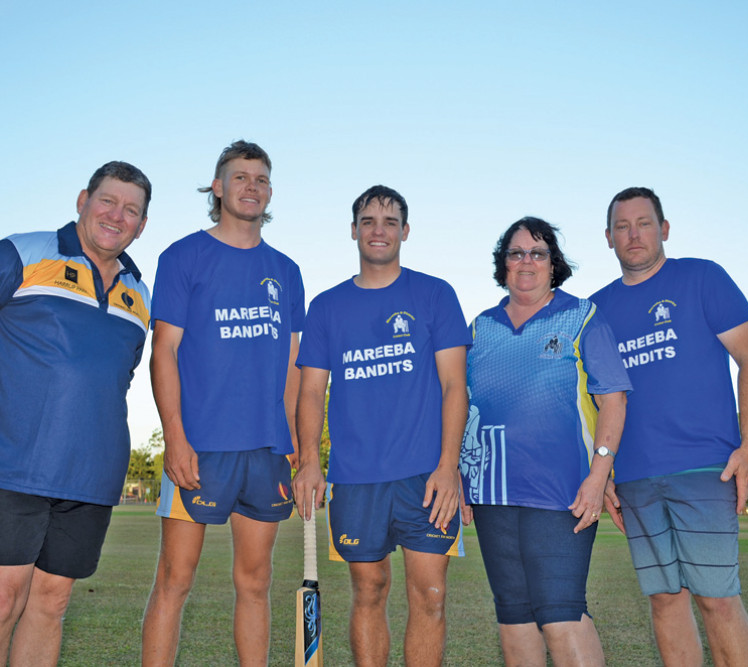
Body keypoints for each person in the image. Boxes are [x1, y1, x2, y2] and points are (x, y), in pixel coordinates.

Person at [0, 161, 153, 666]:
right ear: (82, 201)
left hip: (90, 475)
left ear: (141, 225)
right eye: (108, 201)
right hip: (11, 462)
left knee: (52, 604)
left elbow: (115, 378)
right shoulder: (21, 252)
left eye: (131, 210)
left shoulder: (140, 294)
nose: (117, 216)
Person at [591, 187, 748, 667]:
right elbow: (589, 401)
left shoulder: (702, 277)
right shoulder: (595, 310)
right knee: (665, 599)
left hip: (704, 467)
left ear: (664, 229)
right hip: (634, 476)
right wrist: (600, 471)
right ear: (608, 237)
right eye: (622, 226)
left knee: (717, 598)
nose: (634, 234)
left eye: (644, 223)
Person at [141, 140, 304, 666]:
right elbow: (163, 351)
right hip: (201, 446)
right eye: (240, 177)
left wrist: (297, 443)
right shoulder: (184, 256)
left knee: (255, 582)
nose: (251, 187)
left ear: (270, 191)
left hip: (267, 449)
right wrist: (176, 439)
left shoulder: (286, 269)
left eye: (260, 179)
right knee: (174, 579)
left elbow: (293, 367)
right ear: (217, 187)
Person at [292, 185, 469, 667]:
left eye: (390, 222)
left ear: (405, 232)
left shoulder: (434, 294)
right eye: (368, 221)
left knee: (430, 594)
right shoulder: (327, 306)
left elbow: (456, 386)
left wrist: (449, 467)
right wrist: (310, 462)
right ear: (353, 231)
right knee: (369, 590)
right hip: (356, 478)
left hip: (426, 477)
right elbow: (311, 391)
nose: (378, 230)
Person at [459, 217, 630, 666]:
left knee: (560, 613)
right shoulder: (480, 328)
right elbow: (464, 408)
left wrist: (599, 476)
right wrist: (461, 476)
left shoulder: (581, 316)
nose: (527, 261)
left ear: (554, 264)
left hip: (562, 492)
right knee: (513, 617)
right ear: (504, 264)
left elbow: (613, 400)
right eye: (516, 253)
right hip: (493, 493)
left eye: (538, 253)